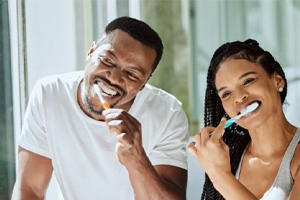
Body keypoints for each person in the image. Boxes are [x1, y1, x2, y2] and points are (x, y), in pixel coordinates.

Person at [12, 16, 189, 200]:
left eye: (132, 74)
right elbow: (30, 189)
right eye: (108, 61)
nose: (114, 78)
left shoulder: (168, 114)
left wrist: (137, 160)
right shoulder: (49, 94)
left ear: (144, 84)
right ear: (91, 52)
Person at [188, 39, 300, 199]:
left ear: (277, 80)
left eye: (248, 81)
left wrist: (220, 176)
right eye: (226, 94)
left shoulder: (220, 170)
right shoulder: (229, 159)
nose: (239, 97)